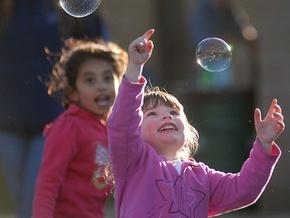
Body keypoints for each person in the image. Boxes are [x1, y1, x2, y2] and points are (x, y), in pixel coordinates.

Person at [107, 29, 285, 217]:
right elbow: (123, 124)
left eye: (174, 112)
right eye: (152, 114)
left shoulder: (202, 176)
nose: (167, 117)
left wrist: (264, 145)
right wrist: (135, 67)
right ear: (136, 129)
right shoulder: (134, 162)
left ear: (189, 131)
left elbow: (243, 190)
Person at [0, 0, 110, 217]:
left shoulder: (65, 10)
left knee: (35, 192)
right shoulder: (5, 10)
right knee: (19, 196)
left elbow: (98, 47)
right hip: (7, 120)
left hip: (52, 119)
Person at [32, 37, 128, 218]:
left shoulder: (109, 127)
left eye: (108, 78)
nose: (101, 86)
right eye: (90, 80)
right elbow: (48, 183)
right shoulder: (69, 126)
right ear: (73, 92)